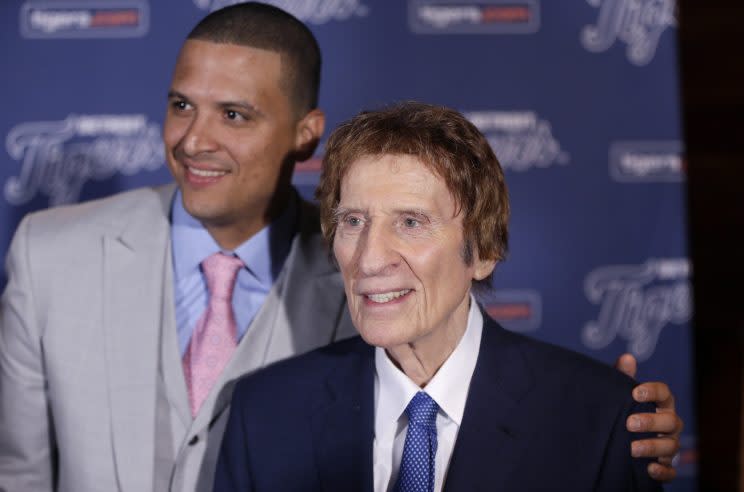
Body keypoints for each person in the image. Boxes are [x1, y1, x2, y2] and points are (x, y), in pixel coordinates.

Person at [0, 3, 679, 492]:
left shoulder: (369, 278)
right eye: (181, 106)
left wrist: (603, 425)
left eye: (233, 114)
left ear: (305, 132)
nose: (192, 140)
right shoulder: (47, 254)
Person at [214, 102, 670, 491]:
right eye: (353, 221)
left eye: (411, 223)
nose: (370, 259)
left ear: (484, 251)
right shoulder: (264, 413)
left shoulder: (598, 417)